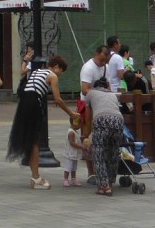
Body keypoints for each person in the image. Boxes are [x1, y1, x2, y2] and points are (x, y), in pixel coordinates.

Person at [7, 55, 75, 188]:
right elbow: (58, 99)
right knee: (35, 142)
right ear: (56, 67)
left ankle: (35, 176)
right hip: (33, 104)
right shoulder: (52, 76)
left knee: (33, 141)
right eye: (61, 71)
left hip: (24, 103)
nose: (60, 75)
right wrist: (71, 113)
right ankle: (36, 178)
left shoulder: (37, 71)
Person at [83, 77, 124, 196]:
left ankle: (104, 186)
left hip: (101, 121)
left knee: (99, 154)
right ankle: (110, 183)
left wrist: (87, 133)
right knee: (113, 153)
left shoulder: (90, 93)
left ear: (95, 86)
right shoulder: (113, 95)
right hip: (118, 122)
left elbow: (88, 116)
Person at [79, 45, 109, 113]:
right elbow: (84, 90)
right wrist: (100, 93)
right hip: (88, 104)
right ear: (96, 54)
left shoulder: (106, 67)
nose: (103, 63)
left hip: (102, 103)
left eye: (106, 61)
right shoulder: (88, 68)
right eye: (101, 60)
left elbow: (108, 86)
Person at [62, 113, 86, 187]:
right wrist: (81, 147)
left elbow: (76, 139)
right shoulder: (71, 132)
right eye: (79, 124)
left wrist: (80, 138)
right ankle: (65, 179)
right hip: (70, 153)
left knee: (74, 167)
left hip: (74, 154)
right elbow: (72, 143)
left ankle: (73, 179)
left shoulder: (75, 131)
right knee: (68, 166)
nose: (80, 126)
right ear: (74, 123)